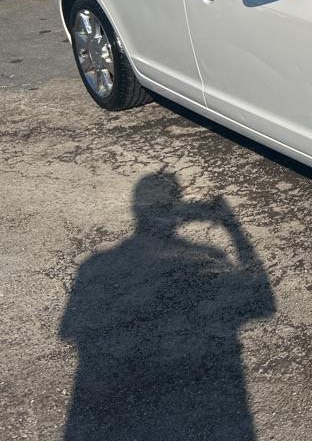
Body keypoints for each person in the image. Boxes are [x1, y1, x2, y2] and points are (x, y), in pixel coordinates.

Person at [60, 173, 275, 440]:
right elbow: (263, 303)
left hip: (115, 412)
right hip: (201, 409)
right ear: (177, 211)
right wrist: (231, 226)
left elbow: (72, 331)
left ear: (136, 210)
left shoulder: (95, 267)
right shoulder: (207, 258)